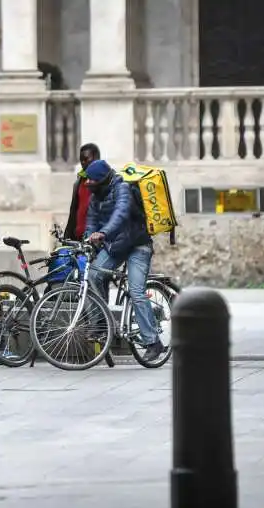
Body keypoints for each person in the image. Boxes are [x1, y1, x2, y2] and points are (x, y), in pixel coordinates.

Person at [83, 159, 164, 362]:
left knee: (136, 291)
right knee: (93, 274)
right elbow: (91, 219)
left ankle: (153, 341)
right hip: (116, 246)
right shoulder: (97, 195)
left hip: (137, 245)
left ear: (103, 179)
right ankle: (101, 326)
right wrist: (88, 236)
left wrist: (103, 232)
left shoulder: (123, 189)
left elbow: (120, 214)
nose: (89, 185)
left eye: (93, 181)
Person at [64, 143, 101, 241]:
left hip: (95, 238)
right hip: (78, 237)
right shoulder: (79, 182)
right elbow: (74, 211)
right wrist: (67, 235)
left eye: (86, 159)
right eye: (81, 160)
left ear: (97, 158)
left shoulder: (105, 181)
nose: (83, 163)